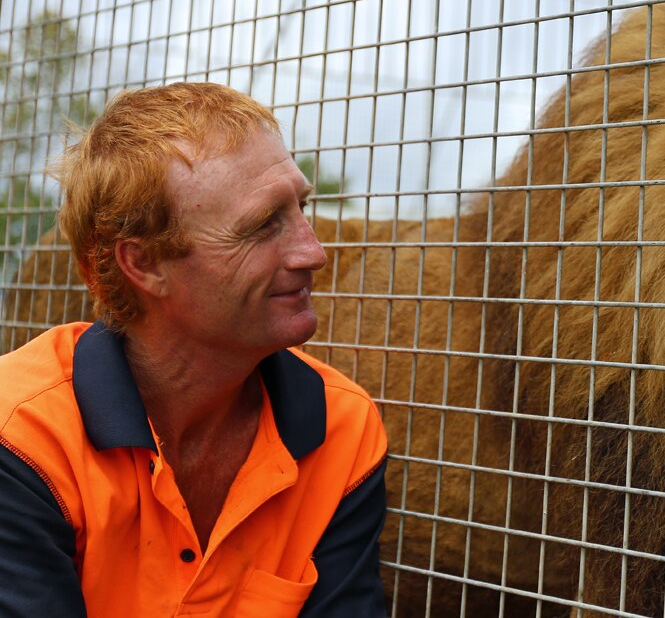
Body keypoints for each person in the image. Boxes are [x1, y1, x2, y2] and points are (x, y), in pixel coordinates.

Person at [0, 82, 388, 615]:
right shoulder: (22, 438)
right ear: (144, 264)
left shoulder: (343, 429)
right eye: (262, 225)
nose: (313, 252)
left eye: (301, 207)